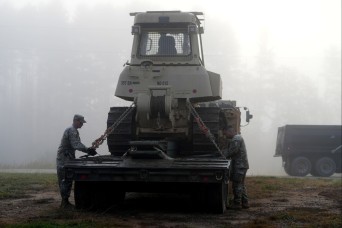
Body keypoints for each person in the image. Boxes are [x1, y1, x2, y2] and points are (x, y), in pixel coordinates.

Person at [56, 114, 97, 209]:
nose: (82, 124)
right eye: (81, 122)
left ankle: (65, 202)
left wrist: (88, 149)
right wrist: (88, 150)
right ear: (75, 121)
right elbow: (76, 144)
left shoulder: (74, 131)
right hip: (64, 158)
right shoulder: (71, 130)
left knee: (67, 179)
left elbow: (77, 144)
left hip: (67, 157)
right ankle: (64, 203)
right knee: (64, 179)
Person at [223, 127, 249, 209]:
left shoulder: (236, 139)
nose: (225, 135)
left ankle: (237, 204)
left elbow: (233, 151)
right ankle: (245, 203)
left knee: (237, 184)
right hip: (242, 165)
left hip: (239, 166)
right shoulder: (238, 138)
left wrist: (222, 155)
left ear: (231, 131)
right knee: (241, 184)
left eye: (225, 133)